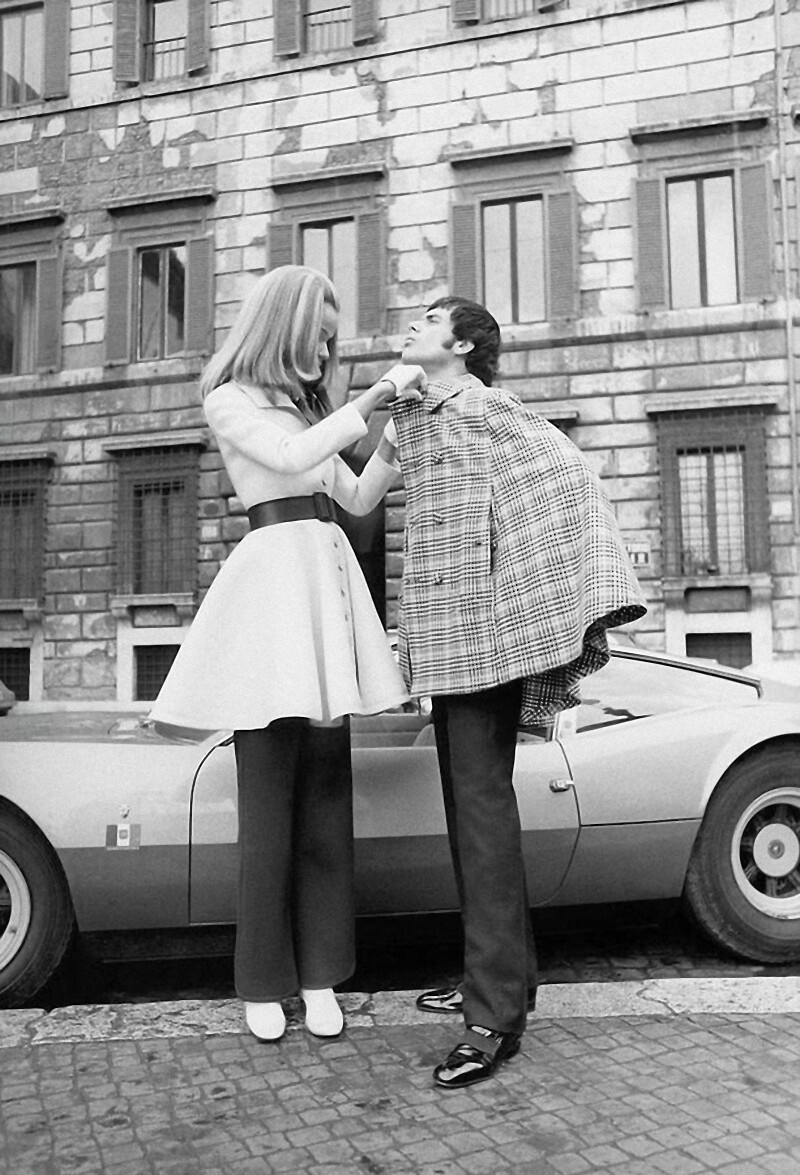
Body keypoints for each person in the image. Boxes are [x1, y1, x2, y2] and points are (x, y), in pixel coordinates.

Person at [149, 266, 423, 1043]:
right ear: (287, 326)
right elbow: (291, 454)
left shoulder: (314, 412)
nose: (327, 350)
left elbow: (358, 498)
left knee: (327, 802)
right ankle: (262, 979)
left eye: (332, 339)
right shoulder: (229, 397)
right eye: (321, 335)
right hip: (271, 598)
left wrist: (397, 432)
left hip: (324, 598)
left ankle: (319, 973)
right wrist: (372, 398)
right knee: (267, 812)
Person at [386, 296, 647, 1088]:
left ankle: (493, 1018)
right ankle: (504, 976)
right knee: (473, 821)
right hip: (444, 640)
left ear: (464, 344)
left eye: (430, 319)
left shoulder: (488, 408)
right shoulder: (418, 414)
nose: (413, 325)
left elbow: (569, 479)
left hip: (483, 641)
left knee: (482, 824)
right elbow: (366, 494)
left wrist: (524, 598)